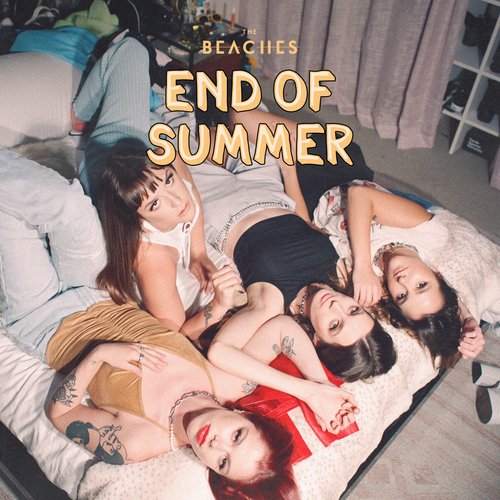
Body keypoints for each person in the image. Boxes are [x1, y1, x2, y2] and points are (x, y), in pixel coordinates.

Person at [0, 148, 358, 498]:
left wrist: (100, 356)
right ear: (246, 417)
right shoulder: (228, 381)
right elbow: (283, 331)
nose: (216, 443)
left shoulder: (139, 443)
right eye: (237, 436)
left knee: (8, 218)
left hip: (43, 320)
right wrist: (315, 389)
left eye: (222, 462)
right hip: (100, 290)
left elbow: (60, 412)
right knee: (68, 203)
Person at [182, 108, 397, 383]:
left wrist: (310, 389)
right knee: (245, 113)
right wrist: (288, 169)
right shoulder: (342, 275)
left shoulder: (271, 304)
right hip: (271, 189)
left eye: (335, 325)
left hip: (223, 207)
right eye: (354, 310)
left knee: (173, 128)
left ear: (317, 341)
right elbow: (304, 223)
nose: (336, 306)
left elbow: (221, 352)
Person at [313, 181, 489, 370]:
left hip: (313, 205)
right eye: (421, 285)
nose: (403, 281)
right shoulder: (430, 235)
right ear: (437, 273)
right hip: (337, 178)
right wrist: (465, 315)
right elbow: (359, 195)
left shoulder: (373, 279)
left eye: (402, 296)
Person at [97, 142, 243, 339]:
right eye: (155, 204)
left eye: (169, 181)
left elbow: (191, 192)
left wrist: (198, 252)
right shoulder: (152, 260)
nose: (177, 200)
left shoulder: (166, 159)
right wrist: (218, 306)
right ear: (137, 219)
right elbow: (176, 339)